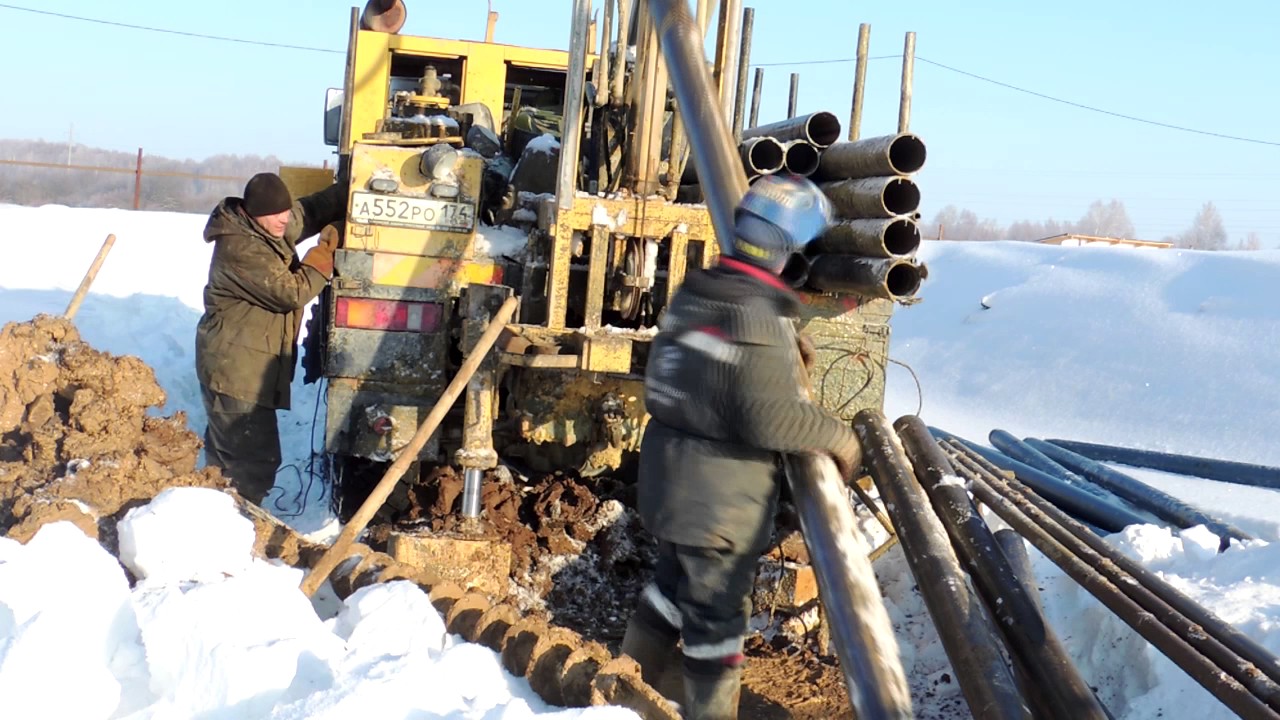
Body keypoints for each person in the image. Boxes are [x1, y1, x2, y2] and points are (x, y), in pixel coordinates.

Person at [620, 175, 863, 720]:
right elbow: (770, 418)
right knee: (715, 620)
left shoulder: (699, 292)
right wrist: (842, 441)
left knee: (669, 588)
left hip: (670, 480)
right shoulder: (757, 315)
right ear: (787, 250)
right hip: (719, 500)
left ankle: (623, 690)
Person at [195, 172, 345, 505]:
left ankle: (218, 515)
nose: (283, 220)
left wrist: (350, 189)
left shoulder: (263, 226)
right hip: (234, 371)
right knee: (251, 462)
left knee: (230, 459)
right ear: (252, 213)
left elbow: (308, 212)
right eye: (275, 214)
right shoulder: (240, 247)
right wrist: (325, 251)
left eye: (285, 211)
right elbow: (292, 292)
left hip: (243, 366)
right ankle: (239, 526)